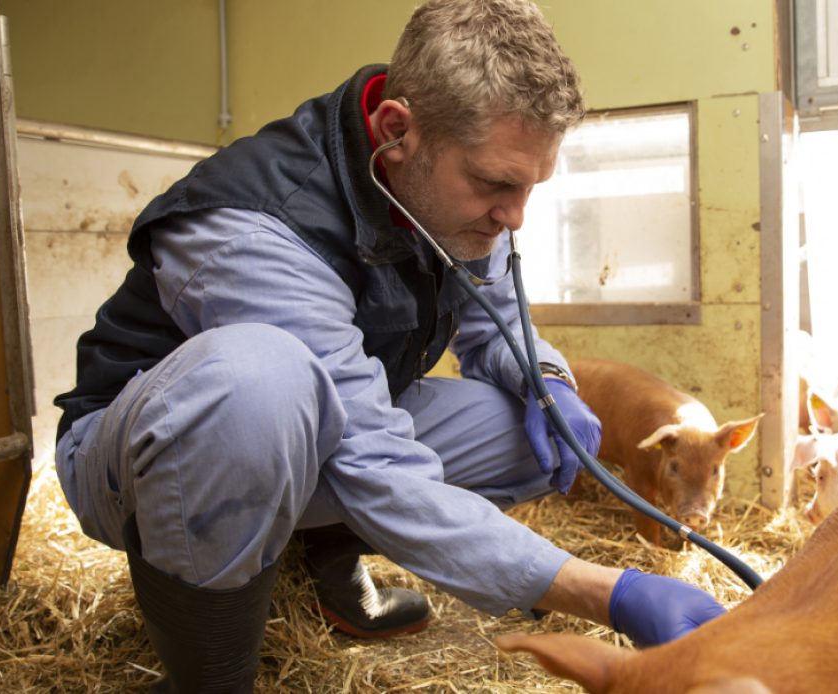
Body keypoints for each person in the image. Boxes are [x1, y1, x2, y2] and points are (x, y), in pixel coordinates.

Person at [53, 0, 726, 690]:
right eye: (496, 183)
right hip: (139, 456)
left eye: (530, 188)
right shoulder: (256, 228)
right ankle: (209, 672)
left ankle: (325, 555)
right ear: (398, 131)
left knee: (532, 433)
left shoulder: (438, 185)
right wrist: (610, 592)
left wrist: (547, 381)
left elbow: (497, 320)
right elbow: (375, 462)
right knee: (258, 383)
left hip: (325, 430)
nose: (515, 215)